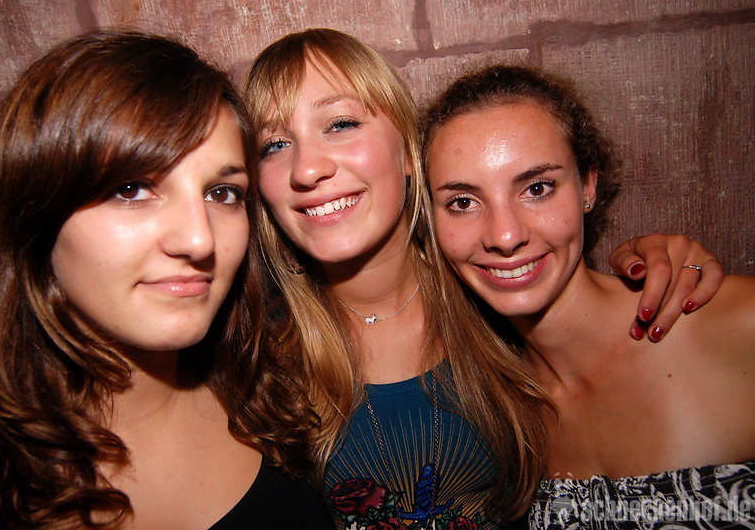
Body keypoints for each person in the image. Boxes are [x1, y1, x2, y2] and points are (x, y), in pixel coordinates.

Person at [243, 28, 723, 529]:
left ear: (408, 152)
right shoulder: (255, 349)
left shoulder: (494, 292)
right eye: (274, 144)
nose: (307, 169)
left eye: (340, 123)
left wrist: (662, 268)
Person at [0, 30, 334, 530]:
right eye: (132, 189)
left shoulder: (271, 389)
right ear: (33, 214)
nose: (198, 240)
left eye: (222, 193)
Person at [423, 64, 754, 529]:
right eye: (462, 202)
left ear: (588, 187)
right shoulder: (494, 411)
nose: (504, 235)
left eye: (537, 188)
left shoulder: (735, 327)